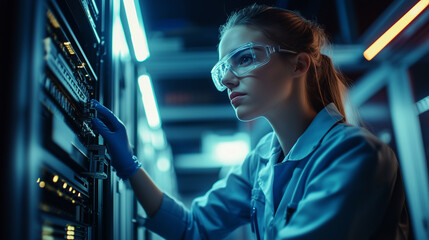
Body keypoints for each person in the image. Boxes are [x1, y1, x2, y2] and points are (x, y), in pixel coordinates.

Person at [92, 4, 410, 240]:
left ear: (298, 65)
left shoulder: (357, 154)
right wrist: (130, 167)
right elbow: (193, 228)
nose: (228, 79)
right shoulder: (259, 162)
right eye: (222, 69)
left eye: (244, 58)